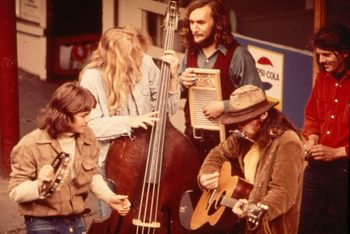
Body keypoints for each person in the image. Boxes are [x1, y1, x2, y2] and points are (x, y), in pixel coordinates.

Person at [79, 25, 180, 217]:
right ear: (118, 57)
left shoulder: (146, 63)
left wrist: (173, 78)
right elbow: (90, 125)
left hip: (146, 156)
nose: (140, 59)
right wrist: (130, 121)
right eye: (134, 55)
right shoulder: (92, 77)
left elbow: (168, 109)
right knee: (115, 218)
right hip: (111, 162)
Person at [8, 82, 131, 234]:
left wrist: (109, 197)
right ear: (64, 114)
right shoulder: (29, 144)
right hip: (43, 225)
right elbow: (16, 192)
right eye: (83, 115)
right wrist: (40, 185)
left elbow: (92, 174)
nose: (88, 120)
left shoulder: (88, 136)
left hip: (76, 222)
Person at [198, 85, 304, 233]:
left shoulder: (288, 142)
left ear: (263, 115)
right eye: (236, 122)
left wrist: (252, 210)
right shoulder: (244, 136)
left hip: (271, 228)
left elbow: (283, 192)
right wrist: (206, 174)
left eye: (243, 121)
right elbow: (218, 153)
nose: (239, 128)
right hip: (244, 223)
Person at [178, 0, 263, 162]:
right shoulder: (190, 53)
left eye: (201, 23)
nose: (194, 28)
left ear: (218, 24)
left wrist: (223, 106)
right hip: (193, 138)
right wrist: (182, 82)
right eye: (192, 22)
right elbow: (176, 94)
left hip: (226, 142)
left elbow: (257, 99)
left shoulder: (238, 55)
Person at [298, 23, 349, 234]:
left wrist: (336, 152)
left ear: (345, 53)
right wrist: (312, 139)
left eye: (327, 55)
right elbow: (312, 116)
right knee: (304, 226)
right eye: (319, 55)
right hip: (317, 167)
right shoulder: (322, 78)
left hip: (344, 169)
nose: (321, 61)